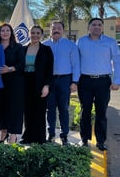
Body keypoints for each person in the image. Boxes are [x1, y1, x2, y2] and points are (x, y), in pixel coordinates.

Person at [77, 17, 120, 151]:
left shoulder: (110, 42)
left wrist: (117, 81)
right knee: (85, 111)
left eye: (99, 25)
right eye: (94, 25)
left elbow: (117, 61)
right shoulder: (81, 41)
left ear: (102, 27)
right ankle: (84, 139)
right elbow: (76, 61)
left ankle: (101, 141)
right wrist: (74, 80)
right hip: (85, 81)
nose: (97, 27)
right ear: (89, 27)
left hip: (103, 81)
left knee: (101, 112)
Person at [43, 21, 80, 146]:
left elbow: (76, 64)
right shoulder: (44, 45)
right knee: (50, 109)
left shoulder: (71, 45)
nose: (56, 30)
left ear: (63, 30)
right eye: (54, 28)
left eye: (59, 28)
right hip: (50, 80)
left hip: (65, 80)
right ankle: (51, 134)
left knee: (64, 109)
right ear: (50, 30)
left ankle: (64, 136)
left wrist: (74, 81)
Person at [21, 25, 53, 144]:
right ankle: (27, 137)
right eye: (33, 33)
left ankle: (40, 138)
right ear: (29, 34)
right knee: (27, 111)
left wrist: (47, 85)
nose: (35, 35)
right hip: (25, 83)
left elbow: (50, 70)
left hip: (40, 83)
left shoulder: (46, 50)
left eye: (38, 33)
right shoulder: (23, 49)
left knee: (39, 111)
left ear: (41, 35)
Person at [0, 23, 25, 144]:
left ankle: (13, 136)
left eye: (8, 30)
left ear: (11, 33)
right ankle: (3, 134)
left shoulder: (18, 47)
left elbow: (22, 65)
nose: (5, 32)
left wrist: (10, 69)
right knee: (1, 108)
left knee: (14, 109)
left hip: (15, 82)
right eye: (3, 31)